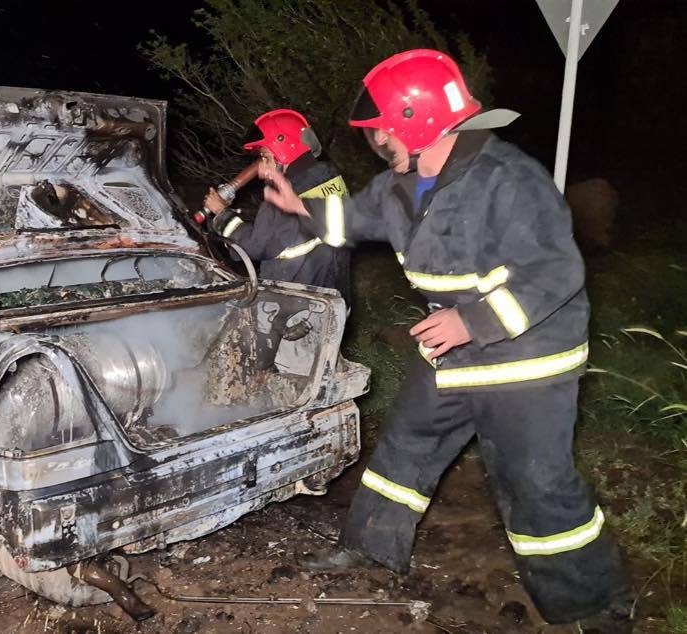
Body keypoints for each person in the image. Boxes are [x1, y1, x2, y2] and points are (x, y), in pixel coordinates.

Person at [259, 49, 634, 632]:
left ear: (417, 120)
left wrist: (472, 322)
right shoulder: (400, 184)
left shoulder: (509, 179)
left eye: (382, 129)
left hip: (527, 359)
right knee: (406, 446)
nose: (378, 140)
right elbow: (353, 220)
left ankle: (596, 602)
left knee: (536, 484)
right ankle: (371, 548)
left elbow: (555, 272)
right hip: (454, 351)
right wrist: (300, 207)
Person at [200, 109, 352, 307]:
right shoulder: (329, 175)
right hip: (335, 299)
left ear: (284, 149)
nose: (261, 169)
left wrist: (221, 214)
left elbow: (252, 247)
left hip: (296, 307)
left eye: (265, 157)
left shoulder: (284, 197)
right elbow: (285, 231)